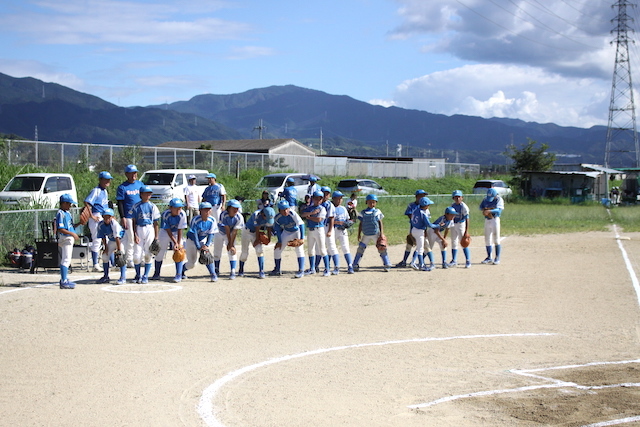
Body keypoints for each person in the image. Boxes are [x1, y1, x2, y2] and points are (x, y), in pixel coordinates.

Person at [352, 194, 392, 272]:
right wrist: (359, 234)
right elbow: (361, 223)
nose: (371, 204)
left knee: (381, 248)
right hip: (366, 234)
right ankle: (355, 264)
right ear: (366, 202)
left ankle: (387, 263)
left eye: (373, 202)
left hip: (375, 234)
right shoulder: (363, 213)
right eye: (370, 202)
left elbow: (380, 222)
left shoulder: (377, 212)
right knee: (360, 249)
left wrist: (381, 233)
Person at [130, 186, 160, 284]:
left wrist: (156, 237)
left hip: (149, 228)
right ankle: (138, 275)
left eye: (149, 193)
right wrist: (135, 234)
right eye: (146, 193)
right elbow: (133, 221)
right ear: (141, 194)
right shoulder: (136, 206)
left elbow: (156, 223)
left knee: (148, 254)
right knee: (136, 256)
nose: (148, 195)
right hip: (139, 228)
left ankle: (145, 275)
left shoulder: (152, 206)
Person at [84, 171, 113, 272]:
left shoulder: (104, 191)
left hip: (103, 216)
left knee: (108, 240)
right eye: (106, 179)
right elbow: (87, 202)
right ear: (100, 180)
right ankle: (95, 264)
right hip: (96, 216)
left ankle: (109, 262)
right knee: (96, 240)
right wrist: (91, 215)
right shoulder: (96, 190)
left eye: (109, 179)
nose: (108, 181)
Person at [116, 164, 143, 268]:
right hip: (128, 216)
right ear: (126, 174)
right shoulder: (123, 187)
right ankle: (129, 259)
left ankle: (139, 257)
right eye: (131, 173)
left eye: (135, 173)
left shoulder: (140, 184)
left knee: (140, 237)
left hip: (139, 216)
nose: (133, 175)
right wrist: (122, 217)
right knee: (131, 238)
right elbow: (120, 203)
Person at [155, 198, 188, 282]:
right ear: (170, 208)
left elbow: (180, 229)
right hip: (165, 232)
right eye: (176, 208)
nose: (178, 210)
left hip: (177, 232)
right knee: (159, 252)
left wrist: (178, 243)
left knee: (179, 251)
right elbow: (167, 229)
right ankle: (157, 273)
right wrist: (175, 242)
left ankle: (178, 274)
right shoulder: (165, 214)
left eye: (180, 208)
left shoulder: (182, 214)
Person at [271, 200, 306, 278]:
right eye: (283, 209)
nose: (286, 211)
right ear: (279, 210)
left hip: (296, 232)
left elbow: (301, 224)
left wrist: (302, 238)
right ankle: (277, 269)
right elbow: (278, 230)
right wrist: (279, 241)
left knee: (299, 250)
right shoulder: (277, 217)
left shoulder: (292, 213)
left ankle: (301, 270)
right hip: (286, 232)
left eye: (287, 208)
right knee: (277, 250)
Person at [239, 206, 276, 279]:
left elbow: (269, 227)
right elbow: (257, 228)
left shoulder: (268, 215)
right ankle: (241, 269)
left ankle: (261, 271)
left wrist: (269, 238)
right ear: (263, 214)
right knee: (244, 253)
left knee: (259, 251)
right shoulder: (256, 215)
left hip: (257, 233)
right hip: (247, 232)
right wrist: (257, 240)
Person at [185, 202, 218, 282]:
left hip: (202, 239)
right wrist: (198, 246)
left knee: (207, 255)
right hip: (191, 241)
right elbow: (194, 234)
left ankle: (213, 274)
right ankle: (181, 272)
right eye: (205, 210)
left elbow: (211, 234)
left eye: (209, 209)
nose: (207, 212)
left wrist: (207, 245)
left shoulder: (212, 220)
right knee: (192, 263)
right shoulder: (195, 220)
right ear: (200, 211)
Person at [213, 199, 244, 280]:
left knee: (232, 251)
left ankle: (233, 271)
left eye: (237, 208)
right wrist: (229, 244)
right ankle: (216, 269)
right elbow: (226, 229)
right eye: (234, 208)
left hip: (230, 233)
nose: (236, 210)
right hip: (219, 232)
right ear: (229, 208)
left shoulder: (239, 217)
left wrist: (231, 244)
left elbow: (234, 231)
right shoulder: (223, 214)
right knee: (217, 251)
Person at [300, 190, 329, 276]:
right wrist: (312, 213)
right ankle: (312, 268)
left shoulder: (322, 208)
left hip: (319, 229)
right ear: (313, 199)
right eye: (316, 198)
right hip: (310, 229)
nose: (318, 200)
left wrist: (309, 217)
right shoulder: (310, 208)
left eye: (320, 199)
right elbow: (302, 215)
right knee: (310, 250)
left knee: (322, 250)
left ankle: (327, 269)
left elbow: (319, 219)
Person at [408, 196, 440, 271]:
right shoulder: (423, 213)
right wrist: (438, 225)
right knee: (420, 249)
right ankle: (421, 264)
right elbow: (429, 224)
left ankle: (414, 262)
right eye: (428, 205)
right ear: (425, 206)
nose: (429, 206)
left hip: (414, 229)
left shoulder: (416, 210)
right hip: (420, 231)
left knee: (419, 247)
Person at [95, 208, 126, 285]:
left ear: (112, 217)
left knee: (121, 257)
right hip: (112, 241)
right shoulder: (101, 224)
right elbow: (103, 236)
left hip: (121, 240)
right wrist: (106, 247)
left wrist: (119, 250)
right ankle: (106, 276)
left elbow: (117, 238)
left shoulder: (114, 224)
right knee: (105, 256)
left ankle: (123, 277)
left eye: (109, 217)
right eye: (105, 217)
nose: (107, 218)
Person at [56, 194, 79, 289]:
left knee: (67, 259)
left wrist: (80, 223)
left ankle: (65, 279)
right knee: (66, 259)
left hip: (69, 237)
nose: (70, 206)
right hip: (65, 238)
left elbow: (71, 226)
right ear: (63, 203)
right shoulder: (60, 213)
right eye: (68, 203)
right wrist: (72, 234)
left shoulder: (68, 213)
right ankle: (63, 281)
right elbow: (60, 228)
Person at [479, 188, 504, 265]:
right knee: (487, 239)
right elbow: (480, 207)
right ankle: (489, 257)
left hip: (495, 219)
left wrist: (490, 211)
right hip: (487, 220)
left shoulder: (499, 199)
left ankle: (497, 257)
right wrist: (484, 210)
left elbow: (499, 210)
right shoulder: (485, 199)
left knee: (496, 239)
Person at [331, 191, 354, 274]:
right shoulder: (331, 207)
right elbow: (328, 220)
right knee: (331, 248)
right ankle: (333, 266)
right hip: (333, 230)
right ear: (333, 199)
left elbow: (347, 219)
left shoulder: (343, 208)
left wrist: (349, 222)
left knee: (345, 247)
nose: (340, 200)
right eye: (338, 198)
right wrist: (338, 223)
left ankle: (350, 266)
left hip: (342, 230)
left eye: (341, 198)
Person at [448, 190, 472, 268]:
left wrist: (466, 231)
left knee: (464, 242)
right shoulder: (452, 205)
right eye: (456, 197)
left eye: (459, 197)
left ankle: (468, 260)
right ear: (453, 198)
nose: (457, 198)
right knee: (454, 242)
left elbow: (467, 219)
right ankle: (454, 260)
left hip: (461, 224)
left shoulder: (464, 206)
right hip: (453, 224)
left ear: (462, 198)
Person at [321, 186, 339, 274]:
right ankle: (316, 267)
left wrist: (330, 230)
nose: (325, 195)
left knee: (331, 247)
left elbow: (332, 218)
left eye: (327, 193)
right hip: (320, 227)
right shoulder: (318, 203)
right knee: (319, 247)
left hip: (328, 226)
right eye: (324, 193)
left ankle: (336, 267)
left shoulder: (329, 204)